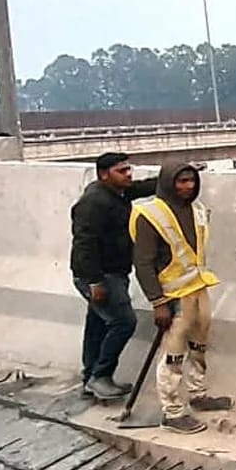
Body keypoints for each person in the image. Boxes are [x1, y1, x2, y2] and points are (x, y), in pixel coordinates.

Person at [130, 161, 229, 434]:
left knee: (199, 346)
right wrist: (158, 302)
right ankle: (172, 413)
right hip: (172, 296)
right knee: (173, 355)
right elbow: (144, 263)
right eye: (181, 181)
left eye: (191, 181)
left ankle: (198, 394)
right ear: (168, 183)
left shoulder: (196, 210)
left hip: (197, 289)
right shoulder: (150, 215)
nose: (187, 187)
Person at [69, 152, 158, 399]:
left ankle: (90, 378)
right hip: (100, 275)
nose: (129, 175)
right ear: (104, 174)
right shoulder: (94, 202)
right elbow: (84, 243)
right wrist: (95, 281)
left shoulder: (116, 193)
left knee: (97, 324)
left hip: (113, 272)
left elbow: (142, 187)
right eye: (122, 171)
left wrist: (174, 177)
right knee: (123, 322)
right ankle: (101, 376)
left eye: (129, 169)